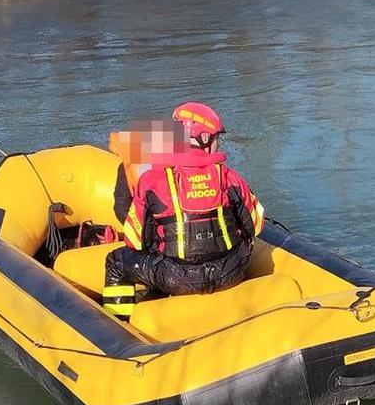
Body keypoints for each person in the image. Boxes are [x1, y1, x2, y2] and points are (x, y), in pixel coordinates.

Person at [102, 102, 265, 320]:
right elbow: (255, 224)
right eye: (216, 137)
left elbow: (135, 238)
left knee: (116, 263)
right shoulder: (229, 176)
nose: (218, 143)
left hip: (176, 277)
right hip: (231, 272)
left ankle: (120, 326)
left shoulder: (152, 180)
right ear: (204, 140)